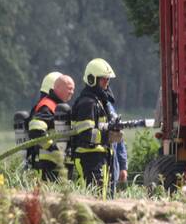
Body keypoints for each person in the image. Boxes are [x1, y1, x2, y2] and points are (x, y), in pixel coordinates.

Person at [70, 58, 121, 195]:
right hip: (89, 159)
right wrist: (107, 137)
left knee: (102, 196)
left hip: (98, 158)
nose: (107, 83)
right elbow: (85, 133)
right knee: (94, 198)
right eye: (103, 79)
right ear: (92, 79)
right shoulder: (87, 103)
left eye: (108, 79)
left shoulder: (98, 101)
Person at [28, 72, 75, 180]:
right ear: (56, 87)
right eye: (68, 88)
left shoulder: (57, 106)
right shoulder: (48, 106)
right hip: (49, 164)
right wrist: (53, 149)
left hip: (56, 163)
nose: (71, 92)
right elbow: (36, 130)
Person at [106, 99, 128, 191]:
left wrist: (123, 167)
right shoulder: (88, 103)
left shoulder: (108, 106)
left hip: (112, 166)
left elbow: (119, 141)